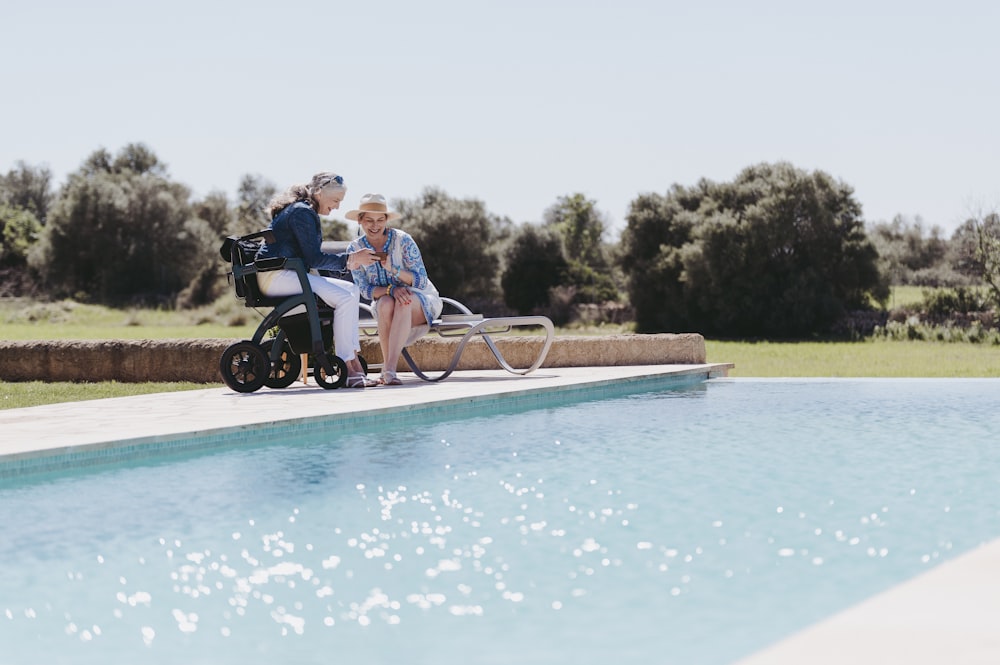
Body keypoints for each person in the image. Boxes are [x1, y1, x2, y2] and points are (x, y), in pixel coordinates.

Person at [255, 172, 380, 388]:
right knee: (343, 298)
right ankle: (348, 365)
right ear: (320, 193)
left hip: (287, 274)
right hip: (277, 276)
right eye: (335, 201)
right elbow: (314, 258)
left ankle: (352, 360)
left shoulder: (303, 210)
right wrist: (350, 260)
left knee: (351, 290)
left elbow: (309, 257)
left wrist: (350, 261)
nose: (337, 207)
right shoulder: (302, 213)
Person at [347, 193, 442, 385]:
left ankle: (389, 369)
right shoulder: (355, 249)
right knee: (384, 303)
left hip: (420, 299)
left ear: (386, 220)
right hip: (387, 303)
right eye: (369, 220)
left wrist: (393, 269)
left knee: (403, 301)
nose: (375, 226)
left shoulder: (403, 240)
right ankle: (388, 370)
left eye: (380, 220)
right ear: (360, 220)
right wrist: (391, 290)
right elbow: (365, 290)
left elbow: (422, 281)